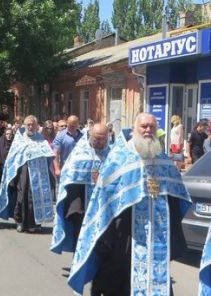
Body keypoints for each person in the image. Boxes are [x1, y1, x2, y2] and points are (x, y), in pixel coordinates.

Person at [67, 113, 191, 296]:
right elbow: (103, 199)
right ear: (134, 129)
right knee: (117, 283)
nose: (148, 130)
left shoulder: (163, 159)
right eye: (144, 126)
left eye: (152, 127)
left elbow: (176, 196)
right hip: (124, 235)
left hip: (156, 237)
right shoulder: (119, 157)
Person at [51, 123, 110, 254]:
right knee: (81, 236)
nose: (99, 141)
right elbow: (68, 176)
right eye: (96, 138)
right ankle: (79, 264)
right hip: (81, 204)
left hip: (105, 205)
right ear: (90, 136)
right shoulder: (79, 153)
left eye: (102, 138)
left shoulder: (112, 155)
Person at [0, 116, 54, 233]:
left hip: (38, 173)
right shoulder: (19, 140)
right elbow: (12, 157)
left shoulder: (41, 140)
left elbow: (48, 155)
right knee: (21, 197)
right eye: (28, 124)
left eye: (33, 124)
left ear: (37, 126)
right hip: (23, 172)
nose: (30, 126)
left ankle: (35, 223)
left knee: (34, 198)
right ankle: (20, 222)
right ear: (24, 125)